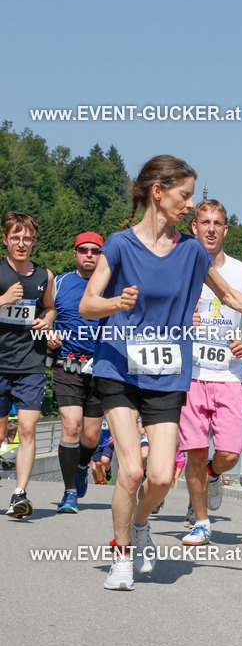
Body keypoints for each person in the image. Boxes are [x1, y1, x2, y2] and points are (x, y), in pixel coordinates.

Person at [80, 154, 242, 590]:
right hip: (119, 367)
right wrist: (116, 304)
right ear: (158, 194)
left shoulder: (192, 251)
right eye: (184, 195)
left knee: (160, 476)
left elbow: (231, 295)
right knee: (131, 471)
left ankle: (140, 526)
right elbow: (87, 305)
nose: (189, 205)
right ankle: (121, 556)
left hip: (166, 374)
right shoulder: (120, 245)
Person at [178, 199, 242, 546]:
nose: (211, 229)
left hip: (228, 375)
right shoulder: (180, 268)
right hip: (191, 374)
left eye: (218, 223)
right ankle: (200, 521)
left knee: (229, 453)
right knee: (196, 451)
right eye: (205, 222)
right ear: (194, 227)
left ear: (226, 229)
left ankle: (213, 476)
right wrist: (183, 322)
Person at [0, 211, 56, 518]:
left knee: (27, 428)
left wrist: (46, 321)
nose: (22, 244)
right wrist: (4, 298)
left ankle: (19, 493)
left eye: (27, 238)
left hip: (31, 363)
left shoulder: (44, 276)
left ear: (34, 241)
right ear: (6, 239)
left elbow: (50, 308)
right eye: (16, 238)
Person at [49, 232, 105, 513]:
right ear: (75, 254)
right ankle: (69, 492)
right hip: (66, 366)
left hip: (100, 369)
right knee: (71, 426)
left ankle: (83, 466)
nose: (89, 255)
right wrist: (47, 333)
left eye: (95, 251)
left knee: (92, 436)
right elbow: (45, 313)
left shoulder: (112, 285)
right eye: (83, 250)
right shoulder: (59, 283)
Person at [91, 416, 114, 483]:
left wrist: (114, 436)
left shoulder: (109, 413)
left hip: (108, 442)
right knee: (97, 464)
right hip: (96, 443)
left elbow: (117, 426)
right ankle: (100, 482)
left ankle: (108, 470)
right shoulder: (94, 414)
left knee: (105, 460)